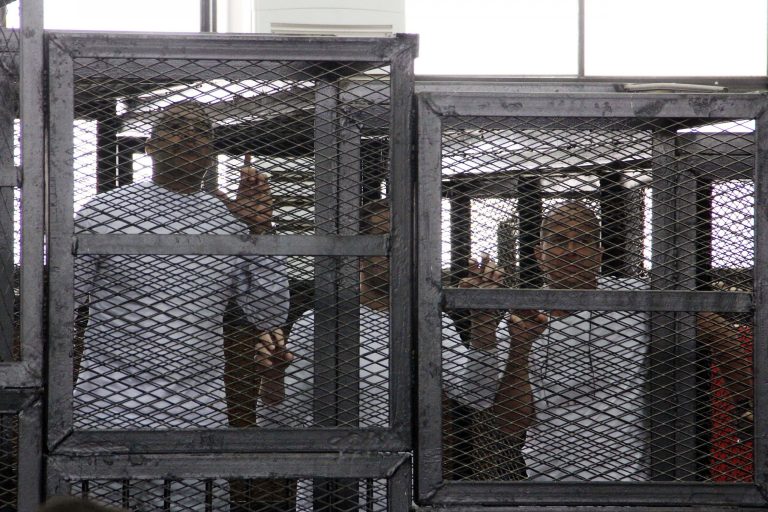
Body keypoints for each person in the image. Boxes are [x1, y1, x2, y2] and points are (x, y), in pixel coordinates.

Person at [72, 101, 289, 509]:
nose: (190, 135)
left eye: (201, 131)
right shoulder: (103, 212)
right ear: (150, 146)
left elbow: (269, 314)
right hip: (108, 397)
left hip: (198, 402)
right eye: (175, 126)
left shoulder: (230, 220)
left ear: (211, 151)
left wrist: (261, 232)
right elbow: (64, 305)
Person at [456, 201, 748, 481]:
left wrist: (748, 405)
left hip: (630, 484)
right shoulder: (524, 315)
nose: (571, 251)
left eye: (582, 240)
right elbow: (511, 425)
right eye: (558, 240)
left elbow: (718, 332)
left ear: (599, 253)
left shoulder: (636, 299)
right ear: (538, 253)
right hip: (547, 483)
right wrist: (521, 348)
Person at [256, 199, 501, 509]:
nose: (398, 251)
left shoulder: (427, 322)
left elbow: (476, 395)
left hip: (403, 494)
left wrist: (482, 326)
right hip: (327, 493)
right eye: (387, 239)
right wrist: (273, 380)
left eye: (407, 241)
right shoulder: (319, 322)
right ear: (361, 250)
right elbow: (276, 425)